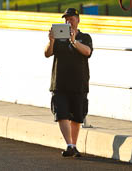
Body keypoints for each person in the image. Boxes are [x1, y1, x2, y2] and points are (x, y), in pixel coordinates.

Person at [44, 8, 93, 157]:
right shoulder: (58, 39)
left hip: (79, 83)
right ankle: (69, 144)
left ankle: (73, 145)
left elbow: (87, 52)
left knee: (77, 117)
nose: (68, 22)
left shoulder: (85, 37)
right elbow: (47, 53)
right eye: (66, 19)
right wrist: (51, 41)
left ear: (78, 20)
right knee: (62, 114)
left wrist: (73, 41)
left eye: (71, 19)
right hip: (60, 82)